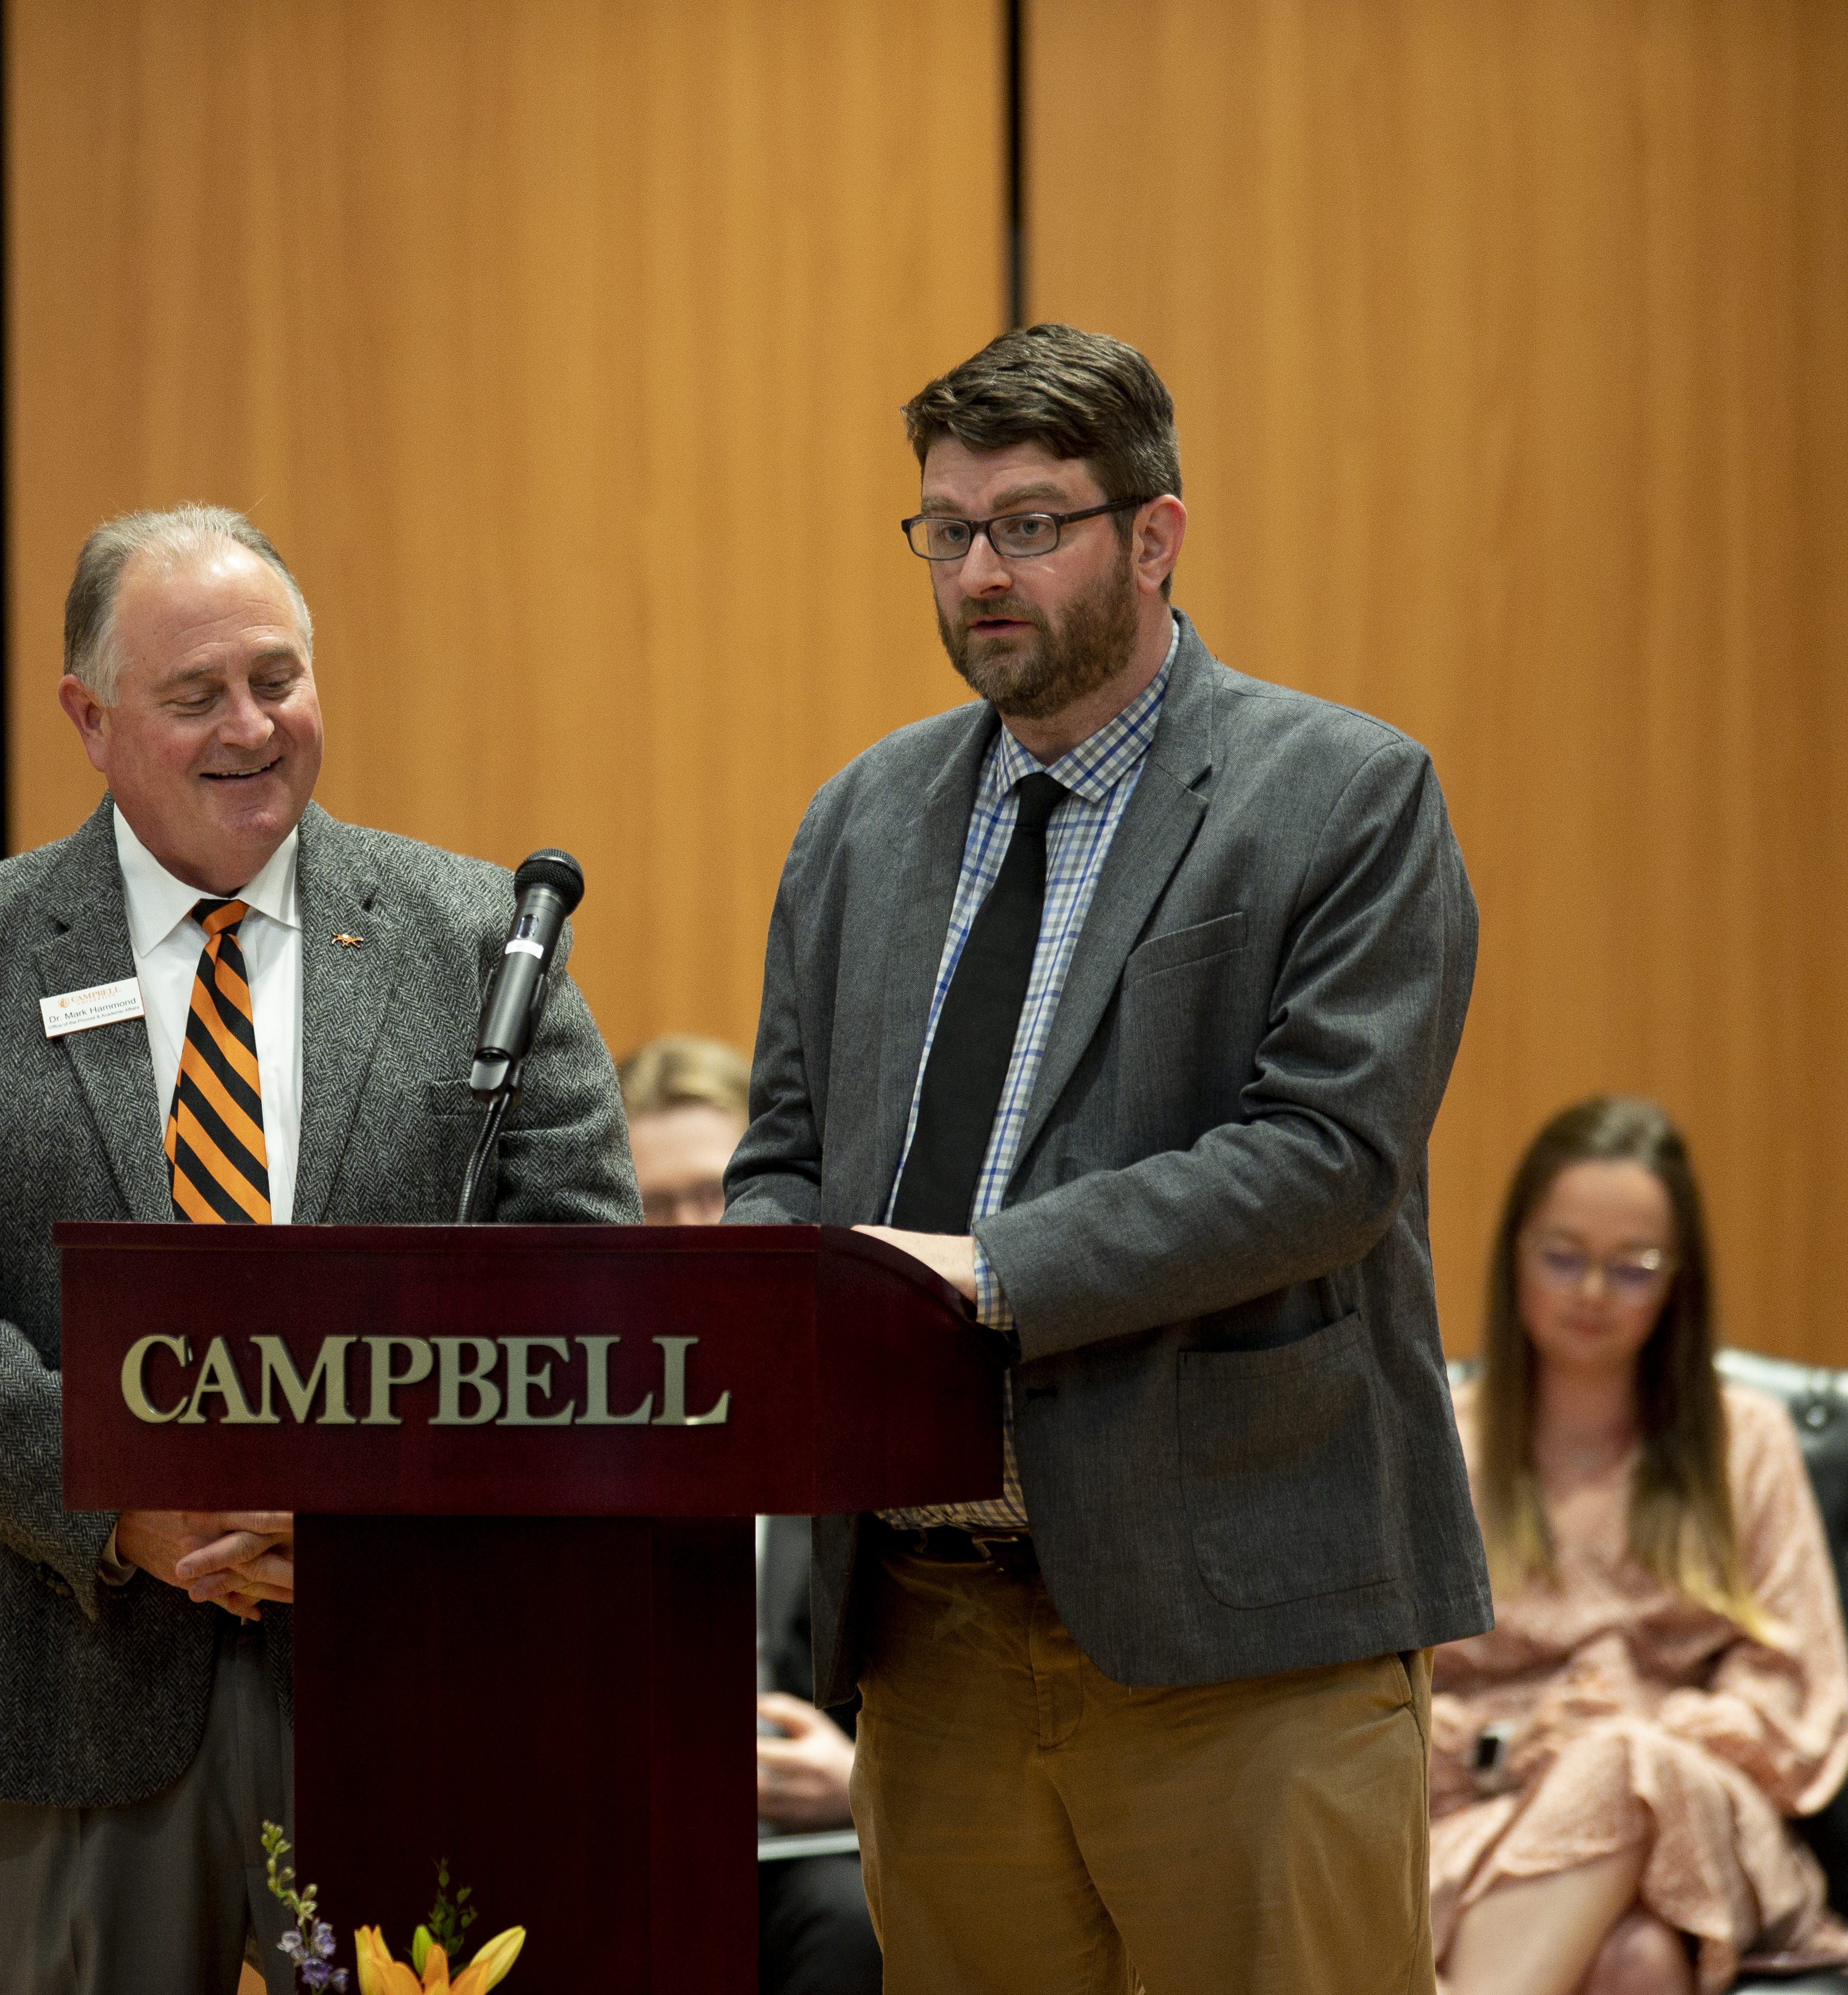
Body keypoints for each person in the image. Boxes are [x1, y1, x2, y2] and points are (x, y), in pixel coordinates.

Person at [726, 323, 1489, 1993]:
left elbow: (1323, 1158)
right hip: (930, 1633)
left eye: (1030, 522)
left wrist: (985, 1275)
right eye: (946, 527)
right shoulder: (858, 820)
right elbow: (783, 1152)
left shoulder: (1344, 796)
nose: (980, 569)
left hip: (1242, 1628)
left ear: (1155, 537)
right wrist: (781, 1286)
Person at [0, 504, 638, 1994]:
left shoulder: (479, 940)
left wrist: (374, 1515)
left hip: (415, 1673)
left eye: (280, 679)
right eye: (196, 696)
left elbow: (582, 1284)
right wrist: (126, 1499)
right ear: (90, 716)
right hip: (55, 1666)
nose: (251, 728)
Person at [1434, 1097, 1848, 1995]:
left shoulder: (1748, 1441)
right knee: (1637, 1960)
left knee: (1623, 1768)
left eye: (1632, 1268)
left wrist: (1640, 1730)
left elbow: (1801, 1697)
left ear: (1678, 1282)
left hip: (1693, 1802)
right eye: (1563, 1258)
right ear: (1515, 1255)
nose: (1590, 1293)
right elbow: (1374, 1692)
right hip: (1480, 1808)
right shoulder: (1437, 1444)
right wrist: (1504, 1745)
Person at [621, 1033, 888, 1995]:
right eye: (657, 1208)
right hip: (622, 1843)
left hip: (823, 1846)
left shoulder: (872, 1404)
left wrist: (862, 1783)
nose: (695, 1234)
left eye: (718, 1195)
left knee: (858, 1928)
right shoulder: (560, 1421)